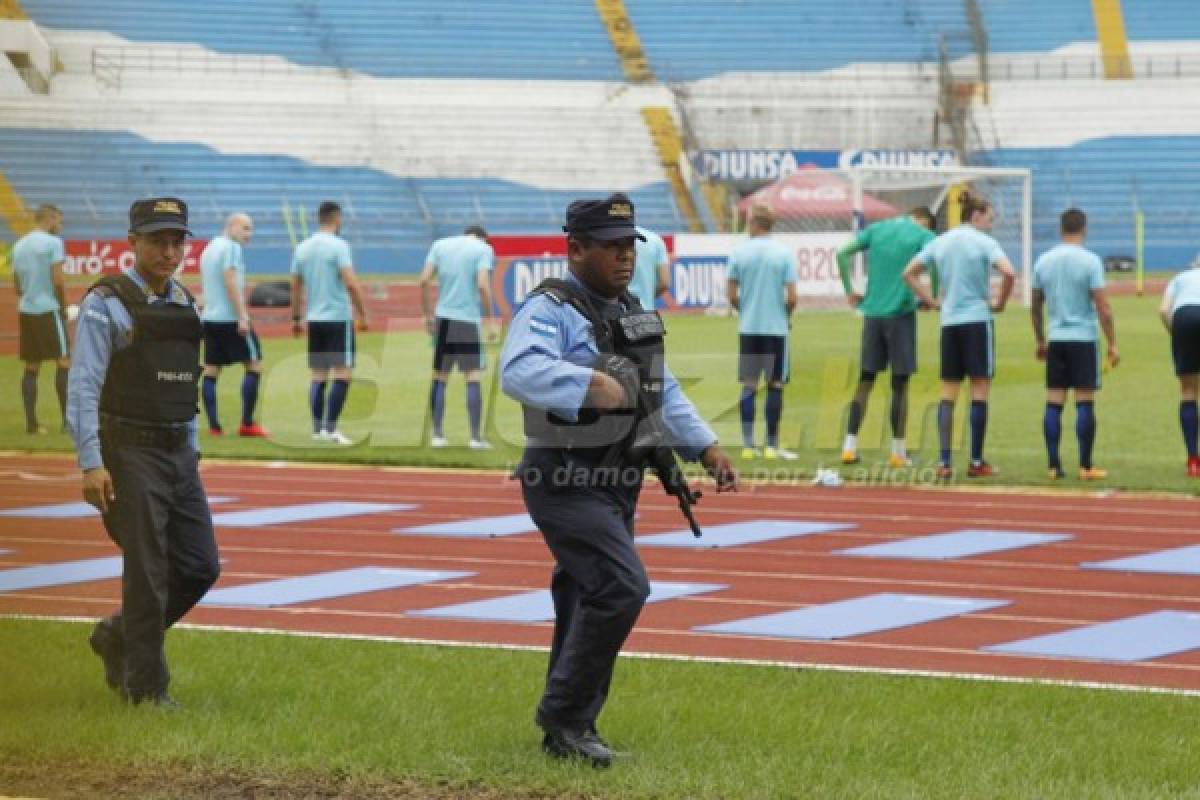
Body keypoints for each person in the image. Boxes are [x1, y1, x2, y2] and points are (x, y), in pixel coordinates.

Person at [500, 193, 737, 766]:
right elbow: (519, 370)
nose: (624, 257)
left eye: (629, 246)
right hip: (564, 476)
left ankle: (569, 732)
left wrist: (704, 444)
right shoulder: (550, 308)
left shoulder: (630, 307)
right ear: (575, 249)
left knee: (585, 594)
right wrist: (586, 383)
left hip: (617, 480)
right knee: (621, 588)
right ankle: (566, 719)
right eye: (610, 247)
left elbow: (663, 389)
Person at [66, 197, 220, 708]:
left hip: (179, 453)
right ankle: (147, 691)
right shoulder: (104, 302)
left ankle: (117, 636)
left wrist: (192, 451)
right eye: (157, 240)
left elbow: (186, 386)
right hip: (128, 450)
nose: (169, 250)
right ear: (132, 242)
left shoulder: (184, 302)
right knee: (148, 570)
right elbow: (84, 387)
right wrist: (91, 462)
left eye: (178, 240)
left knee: (200, 566)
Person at [903, 190, 1016, 479]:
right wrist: (1000, 303)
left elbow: (909, 273)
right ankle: (976, 461)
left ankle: (944, 462)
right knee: (979, 389)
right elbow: (1009, 272)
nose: (990, 225)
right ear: (975, 216)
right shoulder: (984, 242)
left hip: (949, 322)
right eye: (989, 219)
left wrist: (930, 301)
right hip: (977, 320)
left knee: (949, 392)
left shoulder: (940, 242)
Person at [836, 207, 937, 467]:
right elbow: (935, 259)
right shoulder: (921, 234)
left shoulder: (878, 228)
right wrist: (932, 296)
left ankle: (849, 445)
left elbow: (842, 253)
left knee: (865, 380)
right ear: (924, 221)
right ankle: (897, 452)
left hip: (872, 315)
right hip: (900, 315)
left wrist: (850, 290)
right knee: (900, 385)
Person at [1031, 209, 1119, 480]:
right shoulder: (1090, 261)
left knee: (1054, 402)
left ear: (1061, 229)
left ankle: (1053, 466)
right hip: (1083, 338)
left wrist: (1040, 339)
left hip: (1056, 337)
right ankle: (1085, 466)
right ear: (1085, 228)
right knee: (1084, 402)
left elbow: (1035, 305)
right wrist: (1113, 342)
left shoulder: (1043, 261)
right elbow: (1103, 307)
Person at [290, 201, 369, 445]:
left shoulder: (302, 248)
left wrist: (296, 317)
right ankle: (331, 429)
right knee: (343, 374)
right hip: (337, 317)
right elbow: (351, 283)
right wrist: (363, 313)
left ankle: (317, 430)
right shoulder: (339, 246)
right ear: (337, 219)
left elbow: (295, 284)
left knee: (318, 375)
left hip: (315, 318)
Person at [726, 203, 799, 460]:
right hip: (776, 330)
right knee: (775, 384)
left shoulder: (739, 253)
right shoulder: (783, 254)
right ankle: (771, 445)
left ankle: (747, 445)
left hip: (749, 328)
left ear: (754, 224)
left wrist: (745, 310)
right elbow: (792, 296)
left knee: (749, 385)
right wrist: (785, 315)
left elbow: (732, 294)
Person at [418, 225, 498, 449]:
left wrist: (427, 315)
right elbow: (483, 284)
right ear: (483, 237)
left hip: (443, 317)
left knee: (440, 377)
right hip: (466, 320)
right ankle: (475, 438)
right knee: (472, 377)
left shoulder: (440, 245)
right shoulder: (482, 249)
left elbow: (423, 280)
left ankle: (437, 435)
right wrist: (490, 319)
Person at [198, 212, 268, 437]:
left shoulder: (210, 248)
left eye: (251, 229)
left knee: (211, 371)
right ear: (231, 226)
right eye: (246, 228)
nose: (249, 234)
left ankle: (215, 427)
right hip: (230, 319)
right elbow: (229, 281)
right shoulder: (231, 248)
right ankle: (247, 424)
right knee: (254, 365)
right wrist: (243, 316)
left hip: (210, 318)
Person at [12, 204, 69, 434]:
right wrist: (63, 307)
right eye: (59, 220)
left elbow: (17, 285)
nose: (60, 225)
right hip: (49, 310)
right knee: (64, 361)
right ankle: (67, 423)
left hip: (26, 309)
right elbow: (57, 279)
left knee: (32, 366)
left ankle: (32, 424)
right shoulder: (53, 243)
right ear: (51, 218)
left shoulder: (18, 245)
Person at [1160, 255, 1200, 477]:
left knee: (1188, 391)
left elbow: (1164, 311)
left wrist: (1176, 335)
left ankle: (1193, 460)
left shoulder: (1180, 278)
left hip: (1183, 318)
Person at [628, 224, 670, 311]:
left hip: (616, 312)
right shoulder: (655, 240)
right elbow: (665, 282)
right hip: (646, 312)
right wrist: (647, 296)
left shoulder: (608, 238)